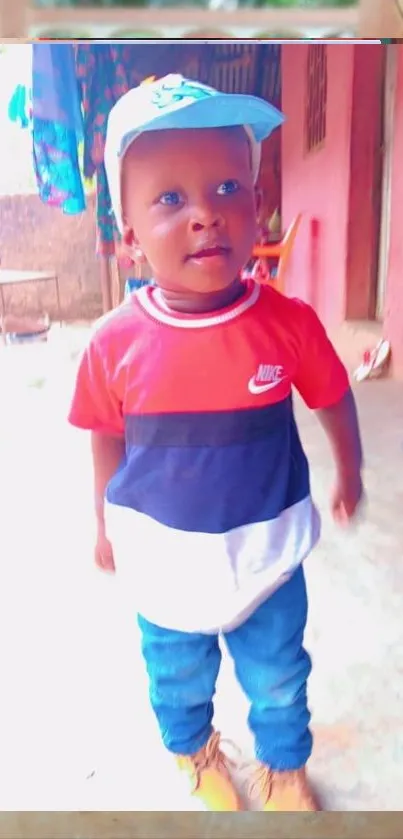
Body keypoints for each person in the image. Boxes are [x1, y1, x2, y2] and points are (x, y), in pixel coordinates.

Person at [68, 75, 364, 812]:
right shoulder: (113, 344)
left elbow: (330, 393)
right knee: (176, 675)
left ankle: (284, 767)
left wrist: (348, 469)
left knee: (277, 675)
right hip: (163, 559)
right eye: (169, 199)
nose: (205, 213)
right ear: (129, 237)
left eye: (229, 186)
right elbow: (105, 435)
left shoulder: (287, 323)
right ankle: (196, 753)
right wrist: (103, 520)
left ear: (258, 206)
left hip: (266, 552)